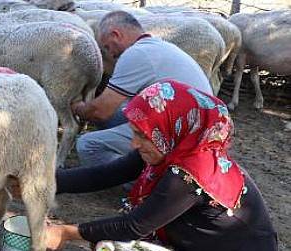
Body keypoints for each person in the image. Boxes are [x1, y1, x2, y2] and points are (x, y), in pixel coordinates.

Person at [33, 80, 277, 251]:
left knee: (109, 248)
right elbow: (106, 174)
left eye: (141, 135)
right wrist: (43, 181)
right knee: (118, 236)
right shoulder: (175, 148)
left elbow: (135, 225)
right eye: (135, 132)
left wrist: (65, 232)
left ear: (171, 129)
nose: (134, 143)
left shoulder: (191, 173)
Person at [72, 11, 213, 168]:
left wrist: (78, 108)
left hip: (182, 133)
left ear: (116, 35)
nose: (110, 54)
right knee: (112, 118)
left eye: (107, 47)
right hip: (201, 124)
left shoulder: (136, 54)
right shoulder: (160, 46)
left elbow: (100, 111)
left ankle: (146, 180)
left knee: (87, 145)